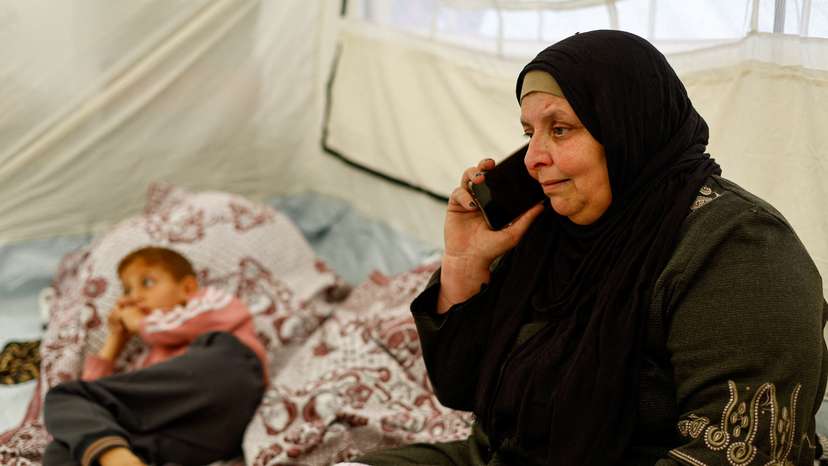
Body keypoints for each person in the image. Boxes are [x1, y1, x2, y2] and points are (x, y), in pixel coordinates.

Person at [354, 30, 828, 465]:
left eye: (560, 129)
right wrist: (465, 260)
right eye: (529, 133)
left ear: (627, 128)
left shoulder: (739, 249)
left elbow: (741, 454)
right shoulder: (557, 226)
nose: (535, 158)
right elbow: (461, 388)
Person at [42, 246, 268, 466]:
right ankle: (118, 457)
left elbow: (88, 395)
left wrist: (140, 324)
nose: (136, 297)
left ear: (187, 287)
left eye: (147, 283)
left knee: (64, 395)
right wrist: (115, 341)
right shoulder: (147, 357)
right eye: (128, 290)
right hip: (199, 436)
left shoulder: (209, 303)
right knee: (66, 444)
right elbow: (94, 400)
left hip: (231, 380)